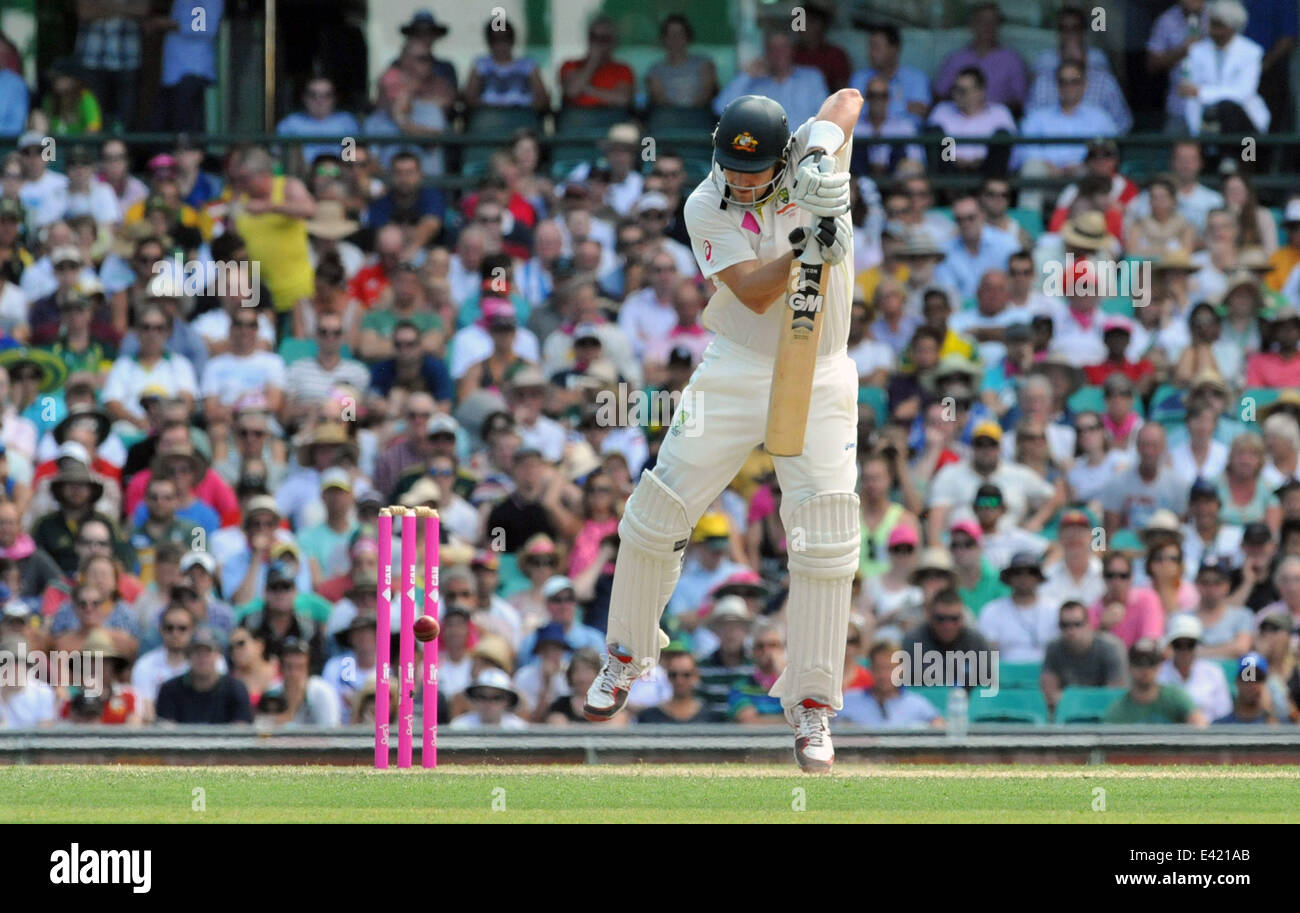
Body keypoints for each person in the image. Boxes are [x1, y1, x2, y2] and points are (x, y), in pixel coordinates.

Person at [1180, 0, 1270, 134]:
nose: (1212, 30)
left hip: (1248, 127)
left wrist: (1202, 92)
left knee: (1228, 109)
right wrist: (1196, 133)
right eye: (1211, 24)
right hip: (1209, 127)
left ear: (1231, 27)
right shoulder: (1197, 51)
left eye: (1218, 26)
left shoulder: (1251, 51)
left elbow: (1243, 92)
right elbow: (1189, 94)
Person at [714, 29, 828, 126]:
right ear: (766, 53)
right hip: (764, 148)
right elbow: (720, 109)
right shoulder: (754, 83)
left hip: (802, 146)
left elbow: (825, 116)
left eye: (783, 47)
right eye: (773, 48)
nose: (779, 53)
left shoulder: (811, 78)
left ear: (792, 51)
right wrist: (746, 75)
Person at [933, 3, 1029, 113]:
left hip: (996, 122)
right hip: (959, 118)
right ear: (972, 24)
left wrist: (990, 111)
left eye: (993, 22)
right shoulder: (956, 59)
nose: (987, 26)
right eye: (981, 21)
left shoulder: (1012, 60)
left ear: (999, 26)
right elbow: (939, 96)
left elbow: (1021, 102)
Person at [1041, 600, 1127, 714]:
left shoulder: (1111, 647)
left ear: (1088, 624)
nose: (1071, 630)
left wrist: (1072, 699)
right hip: (1068, 715)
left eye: (1077, 624)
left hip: (1106, 716)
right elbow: (1050, 695)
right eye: (1064, 625)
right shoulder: (1053, 648)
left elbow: (1116, 696)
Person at [154, 626, 253, 724]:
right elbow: (166, 732)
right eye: (197, 652)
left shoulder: (236, 689)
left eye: (208, 651)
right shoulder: (170, 689)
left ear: (218, 655)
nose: (202, 658)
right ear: (188, 655)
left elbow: (241, 730)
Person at [151, 0, 223, 133]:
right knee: (162, 128)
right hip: (173, 73)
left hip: (192, 70)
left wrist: (166, 24)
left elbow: (205, 27)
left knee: (186, 132)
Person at [838, 639, 943, 727]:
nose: (884, 675)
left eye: (890, 669)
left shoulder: (917, 705)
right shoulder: (847, 701)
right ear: (870, 669)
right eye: (879, 668)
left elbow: (940, 729)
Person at [1104, 637, 1207, 725]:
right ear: (1129, 668)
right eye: (1139, 663)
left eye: (1151, 663)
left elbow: (1199, 725)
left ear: (1159, 667)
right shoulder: (1119, 709)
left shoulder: (1175, 697)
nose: (1145, 670)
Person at [977, 552, 1058, 663]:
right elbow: (986, 654)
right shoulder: (992, 611)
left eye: (1030, 573)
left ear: (1038, 577)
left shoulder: (1055, 609)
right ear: (1009, 577)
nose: (1024, 578)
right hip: (1005, 675)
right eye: (1017, 573)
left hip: (1047, 673)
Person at [1157, 613, 1232, 721]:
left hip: (1209, 735)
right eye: (1178, 644)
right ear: (1171, 645)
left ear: (1197, 644)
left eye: (1190, 644)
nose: (1184, 650)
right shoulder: (1159, 673)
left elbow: (1223, 714)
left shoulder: (1214, 673)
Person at [1090, 551, 1164, 648]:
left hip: (1141, 662)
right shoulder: (1093, 610)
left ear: (1132, 577)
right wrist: (1102, 627)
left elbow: (1151, 641)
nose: (1117, 581)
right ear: (1103, 577)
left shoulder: (1147, 599)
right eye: (1110, 575)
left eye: (1123, 575)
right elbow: (1086, 651)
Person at [558, 16, 634, 110]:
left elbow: (622, 99)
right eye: (594, 37)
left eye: (604, 39)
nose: (598, 43)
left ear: (613, 42)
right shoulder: (570, 65)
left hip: (612, 117)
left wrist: (586, 88)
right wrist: (593, 61)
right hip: (578, 119)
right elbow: (573, 91)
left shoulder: (623, 69)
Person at [645, 13, 717, 109]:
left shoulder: (704, 64)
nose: (675, 38)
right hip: (667, 116)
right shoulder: (655, 70)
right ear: (663, 39)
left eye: (679, 34)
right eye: (670, 34)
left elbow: (707, 93)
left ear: (687, 37)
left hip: (699, 115)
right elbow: (659, 99)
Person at [636, 649, 722, 723]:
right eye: (673, 675)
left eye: (686, 675)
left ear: (696, 676)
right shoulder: (649, 716)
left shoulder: (710, 717)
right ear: (667, 676)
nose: (679, 681)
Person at [448, 668, 528, 730]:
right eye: (482, 697)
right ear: (474, 699)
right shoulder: (459, 726)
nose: (488, 703)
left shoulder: (518, 728)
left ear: (507, 701)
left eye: (496, 697)